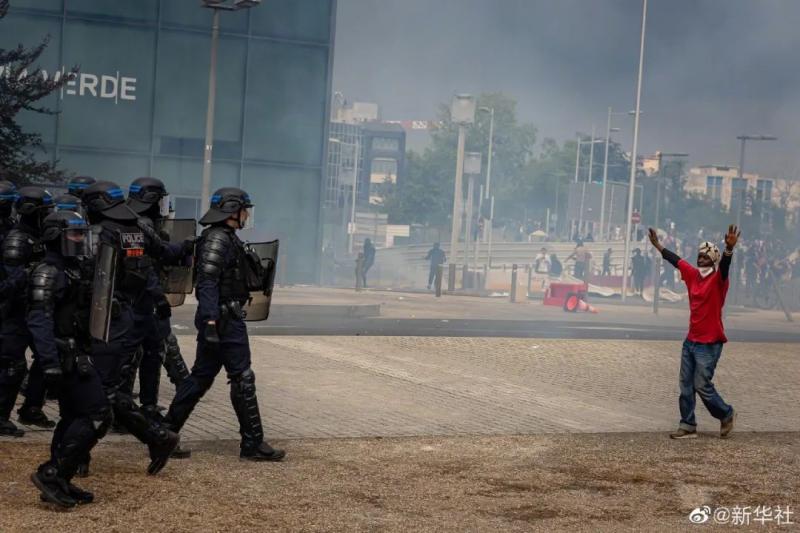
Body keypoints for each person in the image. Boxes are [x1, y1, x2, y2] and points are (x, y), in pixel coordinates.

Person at [164, 187, 285, 462]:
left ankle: (164, 433)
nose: (247, 215)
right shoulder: (218, 239)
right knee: (242, 377)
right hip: (223, 319)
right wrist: (209, 321)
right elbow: (207, 282)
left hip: (221, 317)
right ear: (234, 211)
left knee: (201, 378)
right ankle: (252, 444)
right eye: (245, 209)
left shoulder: (226, 237)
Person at [80, 180, 180, 474]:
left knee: (96, 389)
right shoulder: (134, 228)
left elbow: (91, 277)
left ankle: (155, 436)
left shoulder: (103, 233)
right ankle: (76, 460)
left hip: (102, 319)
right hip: (117, 317)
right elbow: (163, 254)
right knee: (96, 387)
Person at [27, 210, 112, 508]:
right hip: (64, 356)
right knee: (98, 414)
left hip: (79, 352)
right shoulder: (47, 272)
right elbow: (39, 320)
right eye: (74, 234)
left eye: (81, 234)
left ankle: (60, 478)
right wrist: (49, 362)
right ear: (55, 237)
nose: (79, 240)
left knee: (74, 417)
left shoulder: (72, 269)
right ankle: (51, 474)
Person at [648, 225, 738, 440]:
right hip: (691, 341)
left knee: (701, 385)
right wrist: (658, 245)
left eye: (705, 258)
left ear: (713, 261)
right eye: (699, 256)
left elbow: (725, 267)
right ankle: (688, 424)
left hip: (710, 342)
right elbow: (675, 259)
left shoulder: (718, 281)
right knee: (685, 385)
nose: (700, 260)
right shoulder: (691, 275)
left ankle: (726, 413)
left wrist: (728, 249)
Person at [123, 178, 192, 425]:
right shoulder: (136, 225)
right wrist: (157, 296)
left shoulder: (143, 223)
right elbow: (140, 266)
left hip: (145, 303)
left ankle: (148, 406)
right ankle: (123, 411)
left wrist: (185, 246)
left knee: (153, 353)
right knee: (132, 356)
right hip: (137, 302)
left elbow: (161, 251)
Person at [0, 186, 55, 436]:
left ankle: (31, 408)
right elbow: (10, 284)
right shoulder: (17, 238)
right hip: (15, 312)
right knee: (13, 366)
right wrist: (33, 272)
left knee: (47, 358)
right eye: (46, 210)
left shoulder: (41, 235)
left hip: (36, 310)